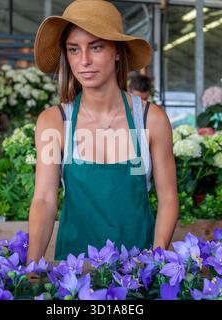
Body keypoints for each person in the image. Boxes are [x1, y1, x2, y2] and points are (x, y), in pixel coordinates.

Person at [28, 0, 178, 264]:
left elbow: (168, 198)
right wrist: (31, 265)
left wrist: (155, 259)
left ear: (118, 52)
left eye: (96, 47)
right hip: (73, 277)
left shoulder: (149, 120)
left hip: (137, 274)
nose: (84, 60)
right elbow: (44, 199)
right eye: (74, 50)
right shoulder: (54, 123)